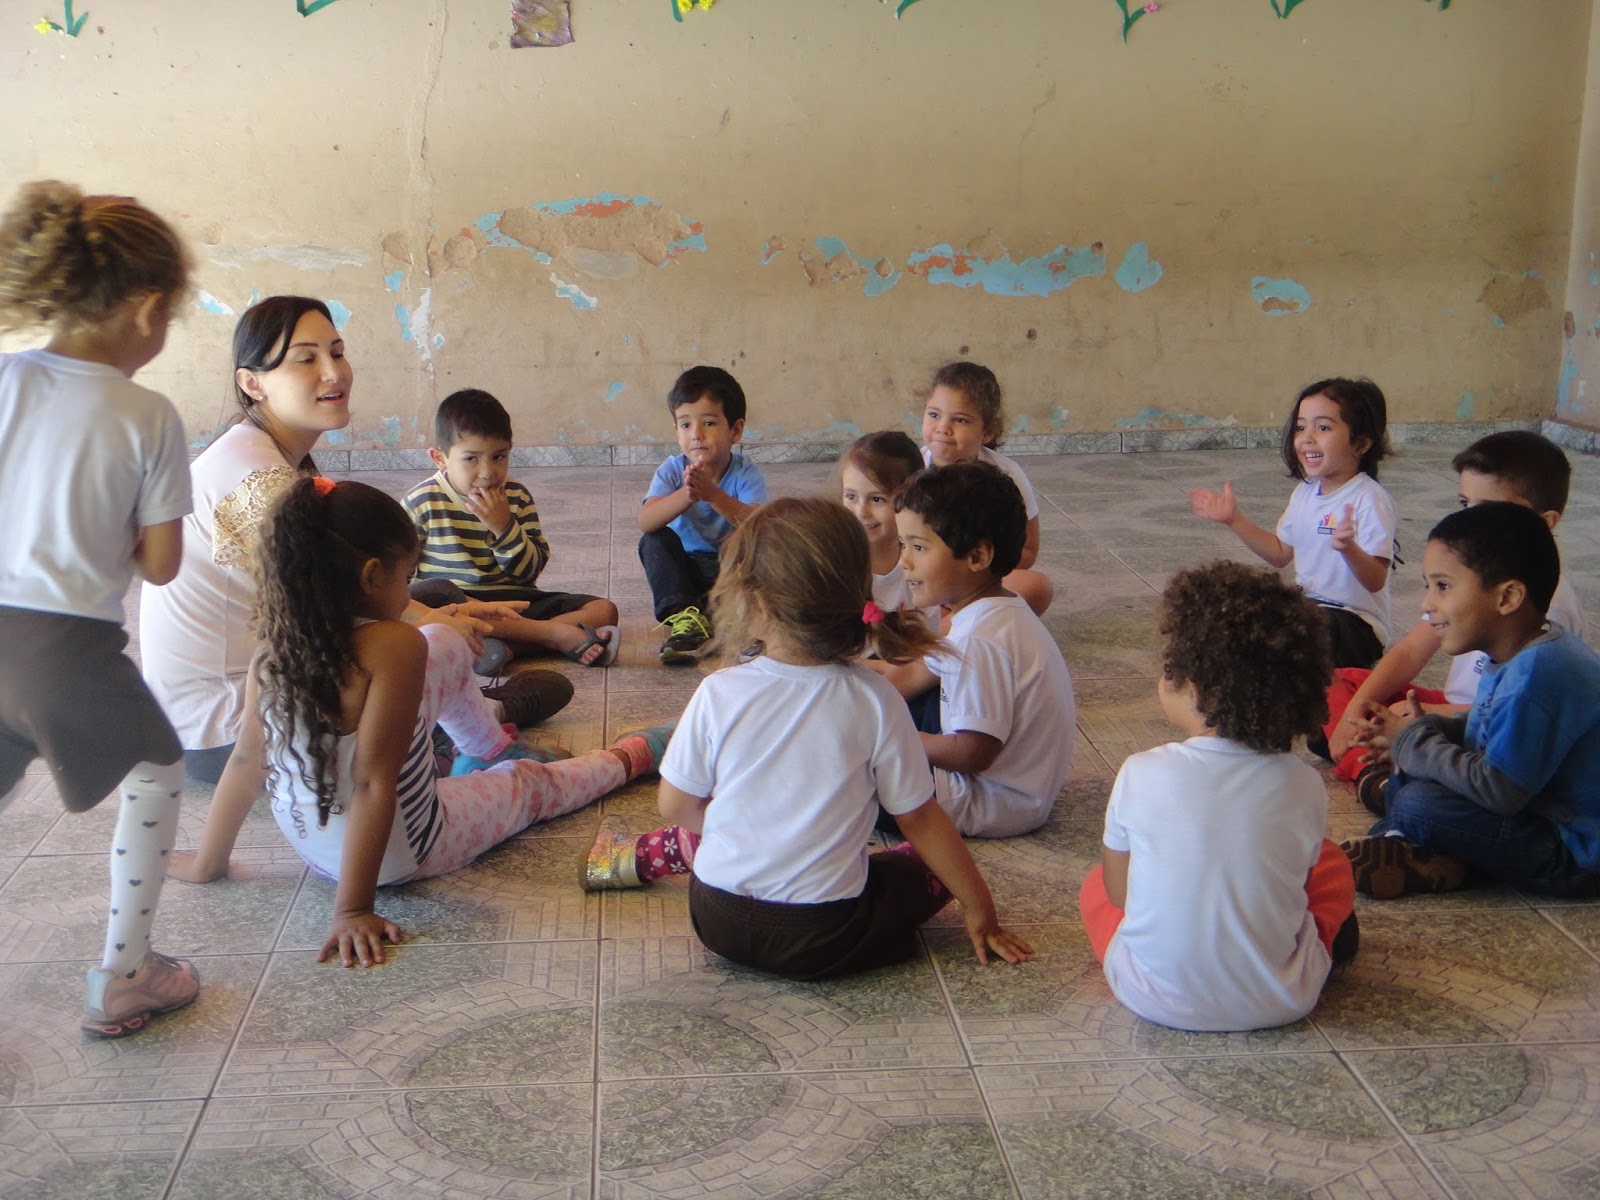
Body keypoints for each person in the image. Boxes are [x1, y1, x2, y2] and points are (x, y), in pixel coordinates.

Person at [169, 478, 673, 966]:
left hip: (313, 846)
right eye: (406, 577)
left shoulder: (272, 651)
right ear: (371, 576)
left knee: (445, 640)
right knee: (530, 785)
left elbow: (245, 761)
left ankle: (484, 750)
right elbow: (372, 782)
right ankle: (631, 757)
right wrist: (353, 911)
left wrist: (209, 862)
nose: (410, 590)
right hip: (399, 853)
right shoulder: (394, 644)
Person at [584, 498, 1031, 978]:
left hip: (715, 919)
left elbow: (675, 805)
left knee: (722, 825)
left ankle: (653, 855)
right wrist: (980, 907)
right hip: (826, 937)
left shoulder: (719, 690)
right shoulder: (876, 698)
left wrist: (744, 838)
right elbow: (920, 818)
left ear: (754, 604)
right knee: (921, 865)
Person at [139, 297, 558, 783]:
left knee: (434, 593)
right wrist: (439, 624)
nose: (333, 372)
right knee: (406, 637)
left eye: (336, 352)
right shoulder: (256, 479)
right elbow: (334, 611)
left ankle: (460, 708)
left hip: (225, 709)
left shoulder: (258, 451)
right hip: (233, 730)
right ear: (252, 383)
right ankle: (469, 719)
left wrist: (448, 612)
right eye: (306, 359)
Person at [0, 179, 199, 1036]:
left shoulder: (6, 377)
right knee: (157, 769)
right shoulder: (147, 414)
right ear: (146, 309)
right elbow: (161, 565)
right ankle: (126, 974)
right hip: (64, 650)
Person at [1078, 561, 1358, 1032]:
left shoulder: (1141, 771)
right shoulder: (1305, 783)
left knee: (1095, 886)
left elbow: (1120, 894)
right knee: (1333, 864)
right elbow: (1298, 884)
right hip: (1283, 998)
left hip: (1151, 996)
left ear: (1194, 687)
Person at [1342, 502, 1600, 900]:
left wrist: (1413, 741)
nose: (1426, 604)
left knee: (1417, 802)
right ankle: (1430, 848)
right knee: (1414, 775)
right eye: (1429, 586)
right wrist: (1425, 730)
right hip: (1536, 809)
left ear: (1507, 597)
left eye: (1443, 586)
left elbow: (1499, 791)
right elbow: (1487, 728)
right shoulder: (1523, 650)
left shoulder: (1541, 672)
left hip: (1575, 854)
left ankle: (1413, 845)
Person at [1325, 431, 1588, 790]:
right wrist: (1357, 712)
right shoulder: (1463, 577)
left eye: (1491, 510)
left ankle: (1378, 779)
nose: (1471, 520)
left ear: (1546, 522)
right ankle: (1379, 757)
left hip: (1493, 732)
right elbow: (1410, 650)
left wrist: (1420, 720)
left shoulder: (1549, 606)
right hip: (1453, 710)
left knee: (1413, 756)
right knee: (1338, 685)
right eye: (1465, 504)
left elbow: (1514, 722)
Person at [874, 463, 1077, 836]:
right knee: (882, 704)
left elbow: (972, 754)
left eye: (919, 547)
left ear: (978, 557)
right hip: (1009, 789)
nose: (904, 561)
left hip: (985, 800)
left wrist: (891, 740)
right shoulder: (995, 609)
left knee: (852, 773)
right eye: (903, 545)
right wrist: (854, 700)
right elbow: (914, 674)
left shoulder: (979, 641)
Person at [405, 387, 620, 670]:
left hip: (514, 602)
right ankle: (551, 636)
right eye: (471, 458)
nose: (487, 473)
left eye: (498, 457)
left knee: (603, 610)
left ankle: (507, 647)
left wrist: (504, 528)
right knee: (439, 594)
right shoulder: (421, 502)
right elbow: (401, 580)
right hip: (460, 603)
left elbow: (528, 573)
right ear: (440, 458)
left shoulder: (516, 496)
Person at [1189, 378, 1396, 670]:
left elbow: (1375, 580)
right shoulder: (1305, 492)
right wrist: (1234, 520)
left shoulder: (1369, 498)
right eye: (1300, 428)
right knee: (1246, 620)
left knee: (1302, 639)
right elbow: (1280, 553)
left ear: (1360, 443)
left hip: (1354, 622)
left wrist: (1348, 548)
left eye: (1322, 428)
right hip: (1309, 609)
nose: (1307, 438)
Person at [638, 365, 767, 663]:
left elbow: (758, 525)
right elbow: (646, 521)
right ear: (676, 432)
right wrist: (688, 494)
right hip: (685, 571)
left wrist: (712, 495)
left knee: (754, 542)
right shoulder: (672, 470)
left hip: (729, 572)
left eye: (709, 423)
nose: (696, 434)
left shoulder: (745, 473)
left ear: (735, 430)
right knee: (653, 541)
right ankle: (685, 618)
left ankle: (735, 617)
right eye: (685, 425)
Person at [919, 362, 1053, 616]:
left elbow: (1028, 549)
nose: (943, 428)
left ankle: (946, 628)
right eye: (934, 415)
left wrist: (976, 570)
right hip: (924, 580)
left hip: (978, 583)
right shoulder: (910, 469)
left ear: (988, 431)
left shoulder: (1006, 475)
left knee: (1036, 587)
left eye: (960, 420)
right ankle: (953, 626)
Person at [839, 430, 938, 627]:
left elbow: (929, 631)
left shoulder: (922, 560)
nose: (861, 511)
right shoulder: (836, 564)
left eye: (877, 499)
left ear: (910, 500)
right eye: (851, 496)